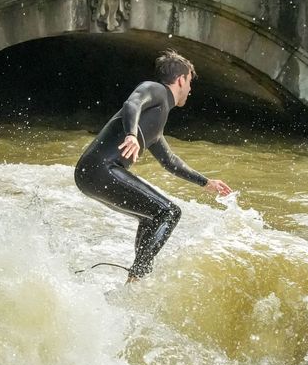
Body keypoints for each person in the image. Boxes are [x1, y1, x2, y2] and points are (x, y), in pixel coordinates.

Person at [74, 50, 233, 282]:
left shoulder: (156, 121)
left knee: (153, 216)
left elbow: (170, 162)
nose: (190, 89)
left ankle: (135, 279)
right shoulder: (156, 90)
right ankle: (136, 279)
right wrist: (130, 135)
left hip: (90, 175)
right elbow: (132, 103)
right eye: (189, 82)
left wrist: (206, 182)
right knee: (169, 212)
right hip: (100, 170)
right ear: (181, 80)